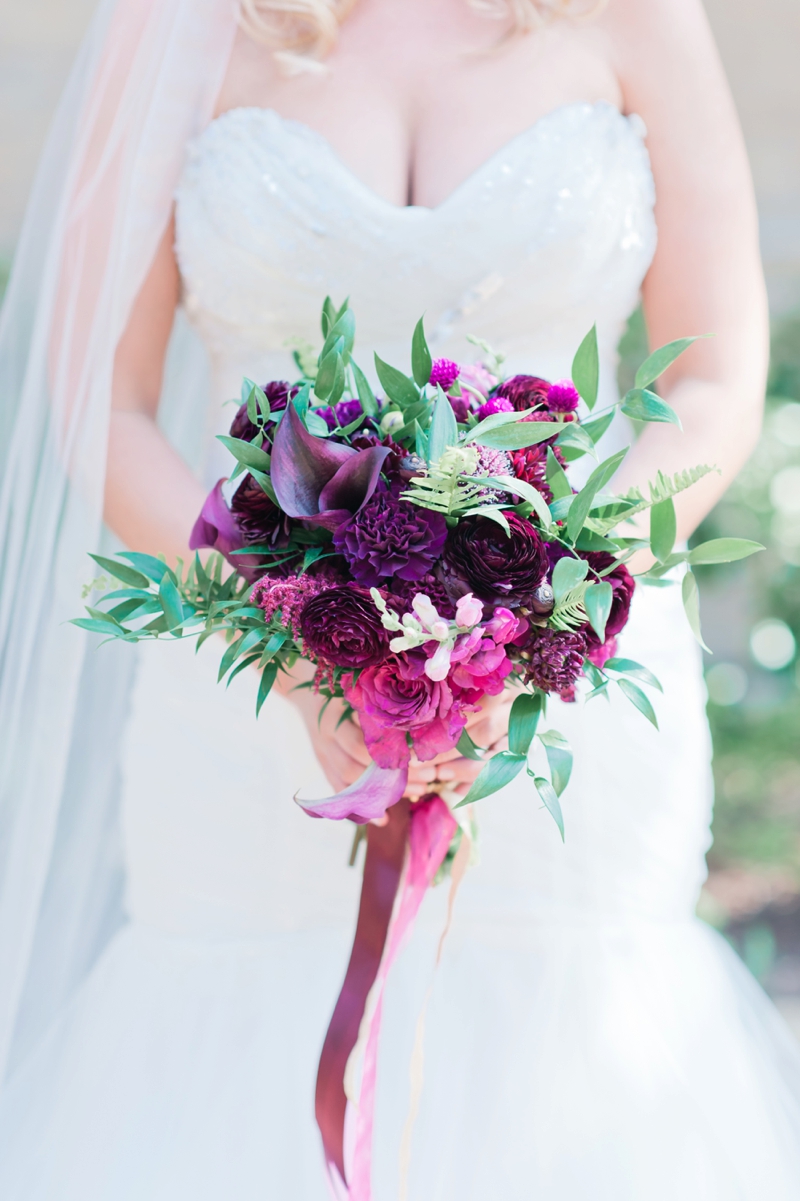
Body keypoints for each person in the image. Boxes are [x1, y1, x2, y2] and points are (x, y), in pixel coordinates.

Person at [1, 0, 799, 1196]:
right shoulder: (178, 26)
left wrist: (538, 621)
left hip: (562, 709)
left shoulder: (636, 16)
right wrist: (290, 643)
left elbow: (715, 371)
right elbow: (96, 393)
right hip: (243, 715)